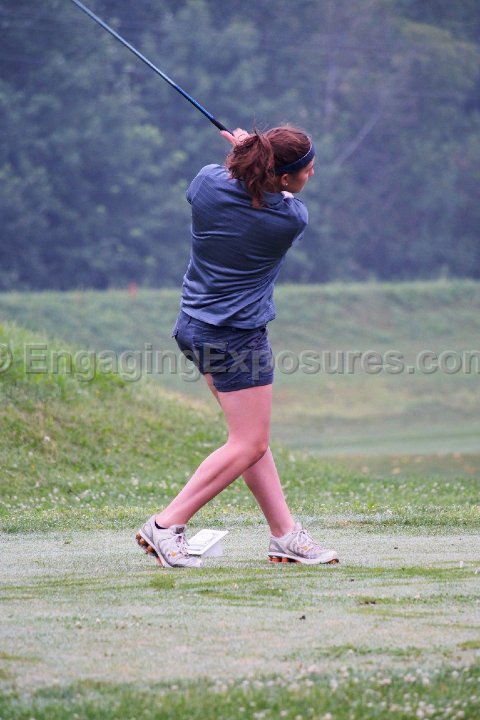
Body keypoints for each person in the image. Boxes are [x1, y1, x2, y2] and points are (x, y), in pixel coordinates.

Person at [136, 126, 339, 568]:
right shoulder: (289, 219)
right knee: (249, 443)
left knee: (250, 440)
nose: (312, 172)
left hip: (193, 327)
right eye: (307, 169)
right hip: (237, 338)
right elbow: (278, 199)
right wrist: (250, 154)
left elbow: (227, 177)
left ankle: (285, 535)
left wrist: (244, 158)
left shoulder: (206, 184)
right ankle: (166, 524)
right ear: (282, 178)